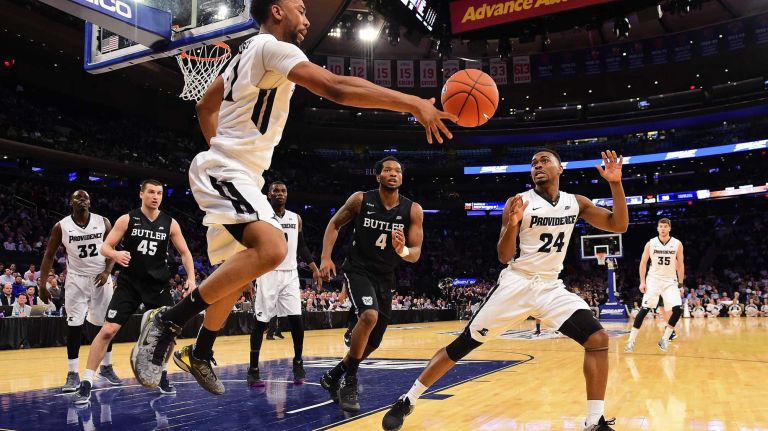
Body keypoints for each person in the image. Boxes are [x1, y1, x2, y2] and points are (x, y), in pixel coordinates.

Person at [130, 0, 455, 395]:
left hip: (241, 172)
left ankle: (201, 350)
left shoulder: (246, 54)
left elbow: (204, 105)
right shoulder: (273, 47)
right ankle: (168, 321)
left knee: (239, 268)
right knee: (273, 248)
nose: (306, 17)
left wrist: (225, 147)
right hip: (227, 169)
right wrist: (413, 103)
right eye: (300, 8)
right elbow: (336, 87)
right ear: (277, 11)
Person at [382, 149, 627, 431]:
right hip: (516, 284)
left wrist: (615, 184)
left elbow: (618, 225)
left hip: (550, 286)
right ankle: (408, 399)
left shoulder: (576, 203)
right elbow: (503, 254)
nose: (538, 165)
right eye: (534, 162)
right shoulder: (519, 201)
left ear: (560, 169)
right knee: (463, 344)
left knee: (597, 338)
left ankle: (593, 421)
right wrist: (511, 225)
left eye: (545, 161)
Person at [71, 180, 195, 405]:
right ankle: (86, 381)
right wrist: (116, 255)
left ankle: (162, 373)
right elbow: (105, 247)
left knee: (168, 334)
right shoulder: (127, 219)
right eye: (151, 192)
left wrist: (192, 279)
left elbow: (185, 253)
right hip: (130, 283)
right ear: (141, 194)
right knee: (107, 330)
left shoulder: (170, 223)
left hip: (158, 286)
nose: (155, 196)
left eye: (159, 193)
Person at [319, 156, 424, 413]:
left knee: (374, 341)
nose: (393, 173)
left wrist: (401, 250)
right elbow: (334, 224)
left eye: (397, 170)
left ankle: (333, 376)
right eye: (387, 170)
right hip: (358, 269)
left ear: (402, 177)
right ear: (378, 176)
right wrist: (325, 257)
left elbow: (416, 253)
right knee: (368, 316)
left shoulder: (413, 210)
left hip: (385, 275)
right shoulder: (360, 200)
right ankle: (350, 381)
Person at [37, 190, 118, 393]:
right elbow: (49, 256)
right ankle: (72, 373)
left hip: (101, 278)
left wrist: (108, 272)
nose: (82, 200)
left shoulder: (103, 222)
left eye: (86, 198)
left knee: (105, 326)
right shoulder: (61, 226)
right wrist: (42, 283)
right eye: (78, 198)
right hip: (76, 280)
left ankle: (106, 367)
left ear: (90, 203)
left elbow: (113, 249)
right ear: (70, 202)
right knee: (74, 325)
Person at [247, 181, 323, 387]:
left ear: (287, 195)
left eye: (283, 191)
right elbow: (249, 247)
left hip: (290, 274)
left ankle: (298, 361)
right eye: (275, 191)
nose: (280, 194)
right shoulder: (260, 216)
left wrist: (315, 268)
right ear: (268, 195)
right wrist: (247, 278)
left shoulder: (295, 218)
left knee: (297, 319)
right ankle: (253, 369)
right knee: (261, 322)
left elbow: (303, 246)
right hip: (267, 273)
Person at [624, 218, 685, 353]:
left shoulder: (677, 244)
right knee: (644, 309)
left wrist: (681, 284)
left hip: (670, 281)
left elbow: (680, 265)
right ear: (657, 229)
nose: (663, 229)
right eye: (661, 226)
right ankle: (630, 341)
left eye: (665, 226)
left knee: (678, 309)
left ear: (669, 228)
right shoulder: (651, 243)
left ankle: (665, 338)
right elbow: (643, 263)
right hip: (654, 280)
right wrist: (642, 281)